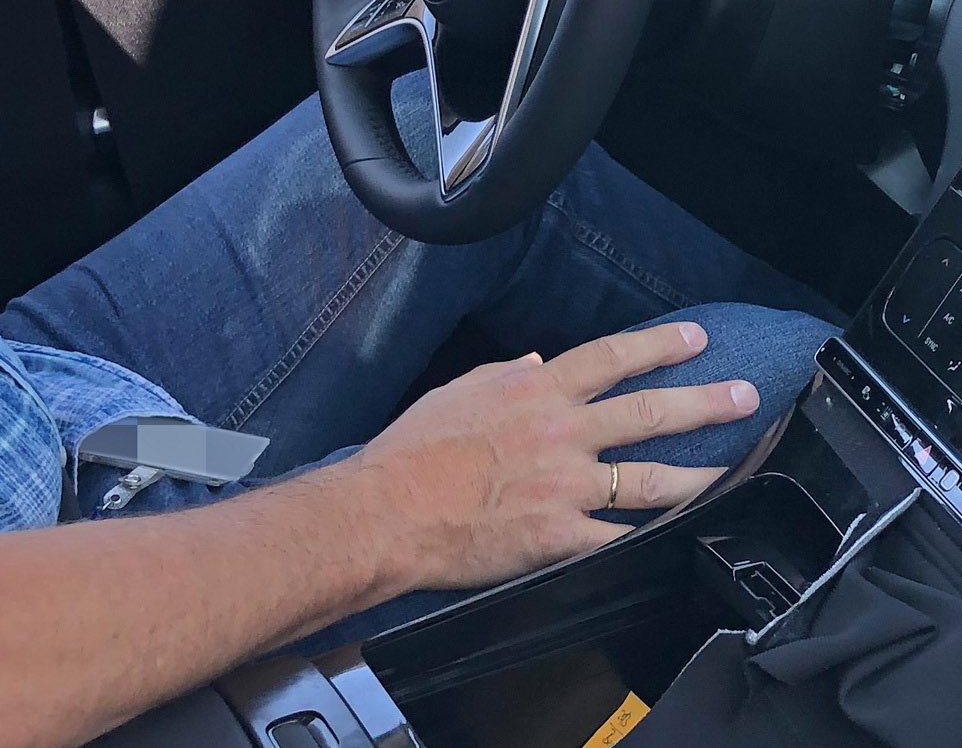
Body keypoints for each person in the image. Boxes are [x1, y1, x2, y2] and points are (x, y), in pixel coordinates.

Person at [0, 79, 840, 747]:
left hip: (40, 398)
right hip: (81, 625)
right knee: (779, 366)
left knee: (446, 155)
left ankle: (862, 328)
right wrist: (405, 504)